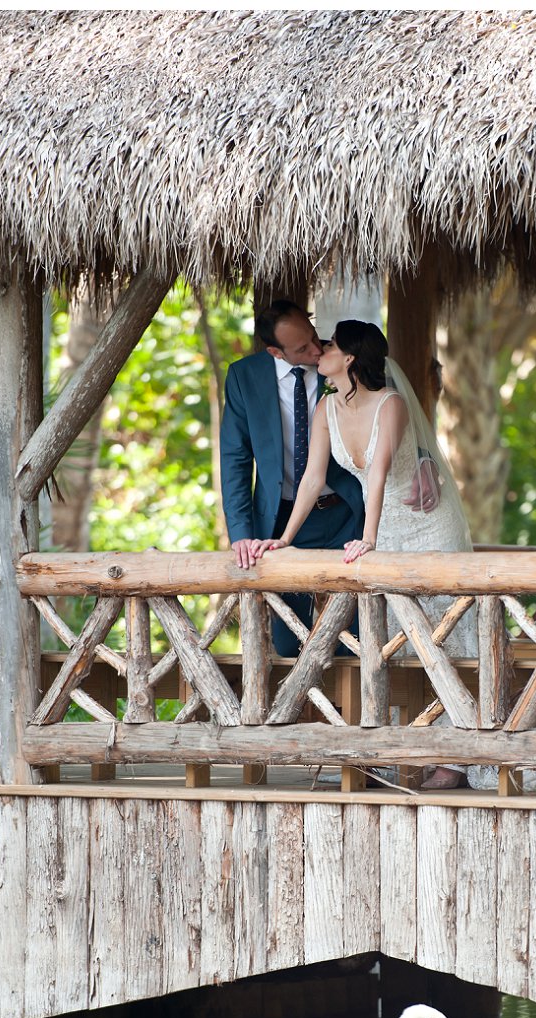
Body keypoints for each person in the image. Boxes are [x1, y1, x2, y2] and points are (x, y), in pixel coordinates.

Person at [254, 319, 478, 791]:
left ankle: (460, 757)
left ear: (350, 357)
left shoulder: (390, 405)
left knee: (446, 641)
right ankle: (407, 750)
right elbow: (313, 479)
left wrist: (369, 537)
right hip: (383, 532)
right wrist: (285, 538)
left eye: (330, 345)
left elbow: (377, 473)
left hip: (425, 529)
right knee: (399, 644)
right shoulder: (326, 408)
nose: (321, 351)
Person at [220, 299, 366, 657]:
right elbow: (235, 459)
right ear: (275, 351)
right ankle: (302, 713)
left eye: (314, 337)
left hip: (347, 512)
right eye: (302, 348)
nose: (317, 350)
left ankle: (355, 715)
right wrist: (241, 533)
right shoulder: (244, 377)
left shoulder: (342, 362)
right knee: (288, 642)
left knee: (356, 637)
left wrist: (422, 462)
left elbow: (388, 416)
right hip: (282, 520)